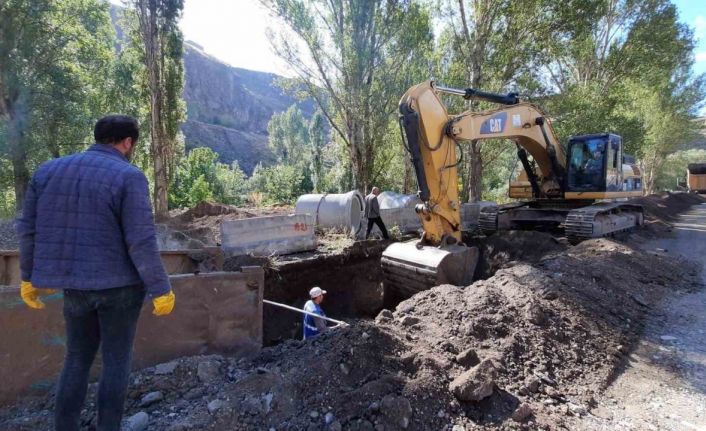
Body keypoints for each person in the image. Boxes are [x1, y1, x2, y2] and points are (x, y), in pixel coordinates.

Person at [16, 114, 176, 431]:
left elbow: (28, 230)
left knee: (76, 358)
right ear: (128, 142)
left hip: (74, 286)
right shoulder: (128, 176)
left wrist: (27, 277)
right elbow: (140, 240)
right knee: (116, 360)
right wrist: (161, 288)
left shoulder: (47, 171)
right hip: (120, 288)